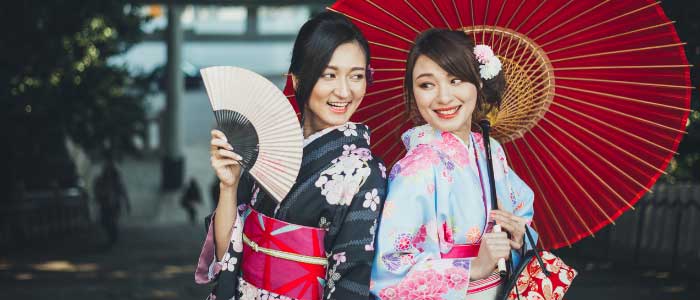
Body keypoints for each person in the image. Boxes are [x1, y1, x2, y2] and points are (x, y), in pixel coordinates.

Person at [195, 12, 387, 300]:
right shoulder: (269, 150)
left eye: (356, 76)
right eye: (328, 74)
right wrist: (228, 185)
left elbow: (352, 280)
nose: (345, 91)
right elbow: (229, 255)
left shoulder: (365, 172)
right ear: (298, 80)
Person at [369, 29, 537, 299]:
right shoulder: (415, 168)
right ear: (413, 92)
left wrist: (518, 235)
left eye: (455, 80)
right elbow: (389, 271)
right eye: (427, 85)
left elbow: (521, 211)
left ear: (479, 84)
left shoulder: (491, 150)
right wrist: (473, 266)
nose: (444, 97)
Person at [93, 156, 130, 247]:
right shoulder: (100, 179)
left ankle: (113, 237)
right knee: (105, 221)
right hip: (105, 203)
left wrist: (127, 203)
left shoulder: (116, 180)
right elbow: (97, 190)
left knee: (111, 220)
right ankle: (112, 236)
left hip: (114, 203)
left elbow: (122, 191)